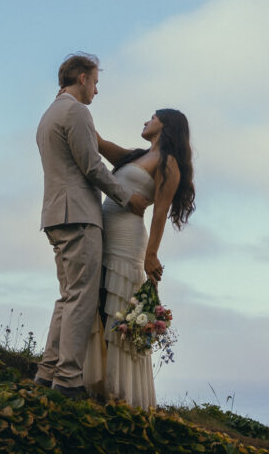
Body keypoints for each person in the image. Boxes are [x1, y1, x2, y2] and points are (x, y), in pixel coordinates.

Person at [35, 53, 150, 399]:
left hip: (55, 214)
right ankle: (68, 379)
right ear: (82, 77)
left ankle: (48, 370)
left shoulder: (48, 115)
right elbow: (92, 166)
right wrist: (126, 198)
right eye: (96, 82)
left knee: (68, 296)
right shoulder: (77, 111)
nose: (97, 91)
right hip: (79, 216)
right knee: (82, 298)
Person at [83, 109, 195, 408]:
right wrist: (74, 101)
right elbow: (98, 142)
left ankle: (120, 392)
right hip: (105, 233)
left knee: (117, 311)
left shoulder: (167, 162)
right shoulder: (135, 155)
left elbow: (159, 213)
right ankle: (94, 381)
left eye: (152, 117)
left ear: (166, 126)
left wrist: (151, 255)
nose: (146, 121)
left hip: (127, 239)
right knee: (99, 305)